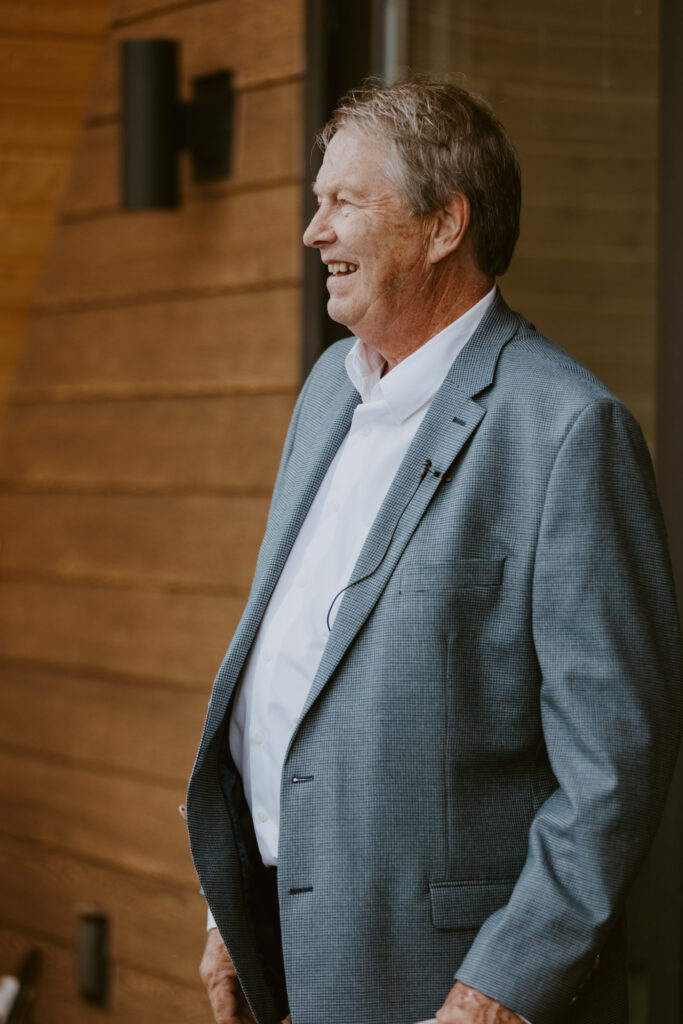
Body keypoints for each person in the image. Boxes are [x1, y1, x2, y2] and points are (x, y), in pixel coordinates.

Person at [186, 79, 682, 1024]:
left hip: (443, 986)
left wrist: (499, 987)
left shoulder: (568, 430)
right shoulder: (329, 388)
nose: (312, 231)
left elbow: (614, 763)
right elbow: (293, 663)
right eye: (313, 200)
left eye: (344, 202)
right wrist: (231, 907)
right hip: (284, 947)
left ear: (444, 224)